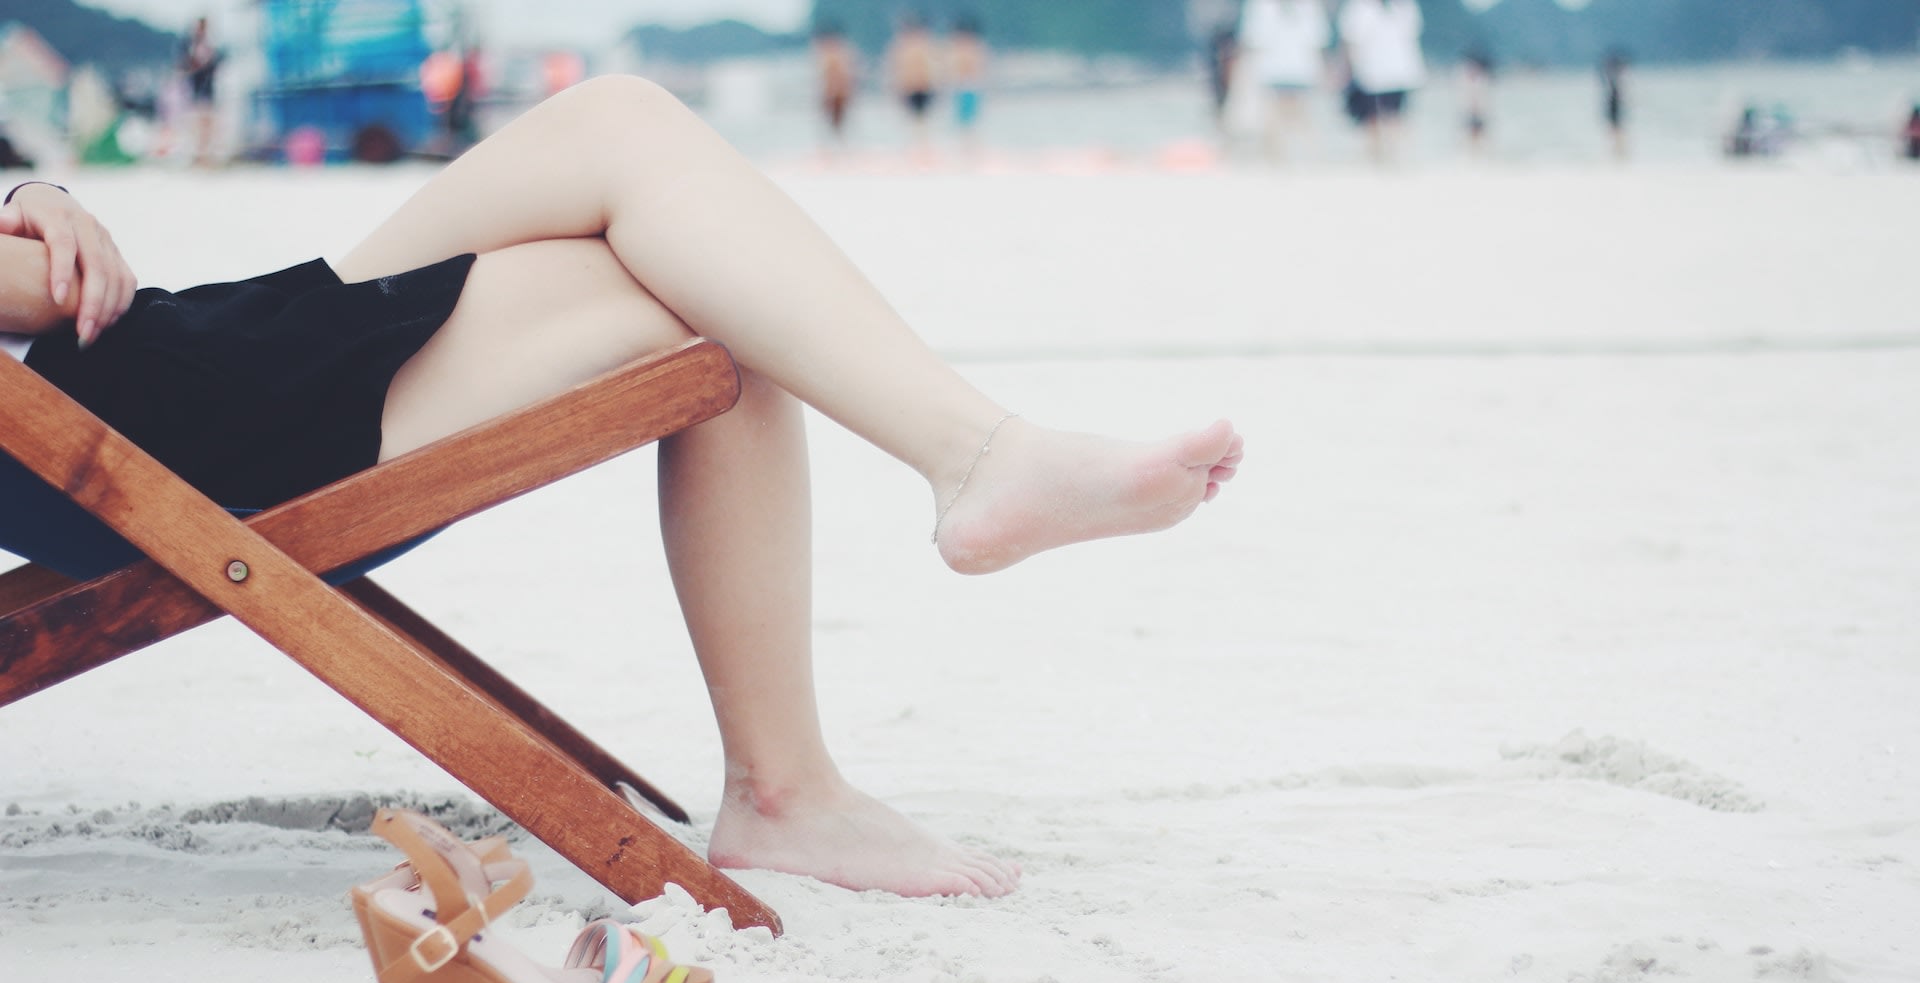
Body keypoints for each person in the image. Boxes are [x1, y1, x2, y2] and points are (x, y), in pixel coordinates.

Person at [0, 78, 1244, 901]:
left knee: (624, 126)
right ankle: (800, 765)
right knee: (709, 295)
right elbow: (46, 294)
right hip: (145, 430)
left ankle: (962, 489)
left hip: (171, 372)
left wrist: (30, 194)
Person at [1237, 0, 1330, 163]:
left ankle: (1290, 161)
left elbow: (1252, 41)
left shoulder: (1263, 6)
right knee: (1292, 118)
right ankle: (1302, 160)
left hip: (1287, 70)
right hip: (1287, 70)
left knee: (1281, 118)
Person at [1337, 0, 1424, 164]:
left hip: (1381, 73)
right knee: (1388, 118)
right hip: (1383, 72)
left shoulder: (1362, 8)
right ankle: (1388, 158)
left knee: (1379, 119)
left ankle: (1387, 158)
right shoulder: (1402, 7)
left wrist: (1346, 69)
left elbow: (1350, 42)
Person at [888, 14, 938, 154]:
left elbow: (934, 67)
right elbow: (897, 69)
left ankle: (922, 147)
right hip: (909, 87)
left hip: (923, 86)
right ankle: (914, 147)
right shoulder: (902, 47)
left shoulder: (926, 45)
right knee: (912, 119)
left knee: (922, 119)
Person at [177, 16, 222, 166]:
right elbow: (184, 65)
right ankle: (197, 155)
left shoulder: (210, 45)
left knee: (207, 122)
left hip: (207, 89)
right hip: (195, 88)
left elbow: (215, 65)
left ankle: (206, 155)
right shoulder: (190, 44)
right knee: (195, 123)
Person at [813, 21, 858, 146]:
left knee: (836, 122)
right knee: (835, 122)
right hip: (835, 92)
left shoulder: (833, 53)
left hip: (836, 92)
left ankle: (838, 146)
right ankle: (837, 145)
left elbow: (841, 75)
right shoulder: (838, 51)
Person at [948, 16, 988, 151]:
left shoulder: (973, 47)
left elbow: (977, 68)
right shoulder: (962, 48)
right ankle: (967, 147)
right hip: (962, 87)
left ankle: (970, 147)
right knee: (964, 121)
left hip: (970, 87)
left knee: (968, 122)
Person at [1460, 48, 1493, 159]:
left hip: (1479, 112)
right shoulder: (1469, 78)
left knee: (1479, 138)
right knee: (1471, 138)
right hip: (1472, 112)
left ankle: (1478, 158)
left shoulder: (1480, 78)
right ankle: (1475, 158)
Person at [1600, 50, 1629, 162]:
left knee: (1616, 129)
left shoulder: (1612, 78)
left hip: (1613, 105)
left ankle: (1617, 151)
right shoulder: (1614, 78)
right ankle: (1618, 151)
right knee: (1616, 129)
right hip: (1613, 105)